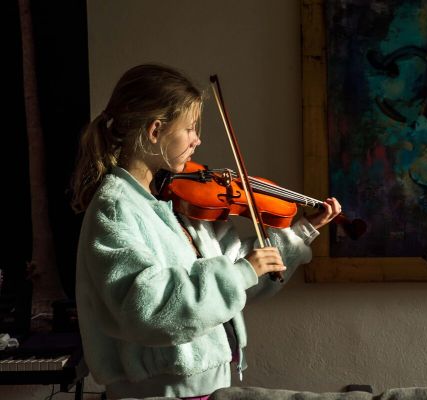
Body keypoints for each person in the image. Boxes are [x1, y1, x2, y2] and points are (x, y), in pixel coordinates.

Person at [71, 64, 341, 400]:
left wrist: (302, 232)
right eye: (189, 128)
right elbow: (149, 309)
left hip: (211, 386)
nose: (197, 140)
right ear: (155, 131)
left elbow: (238, 275)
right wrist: (243, 271)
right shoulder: (116, 208)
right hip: (159, 393)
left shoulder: (176, 201)